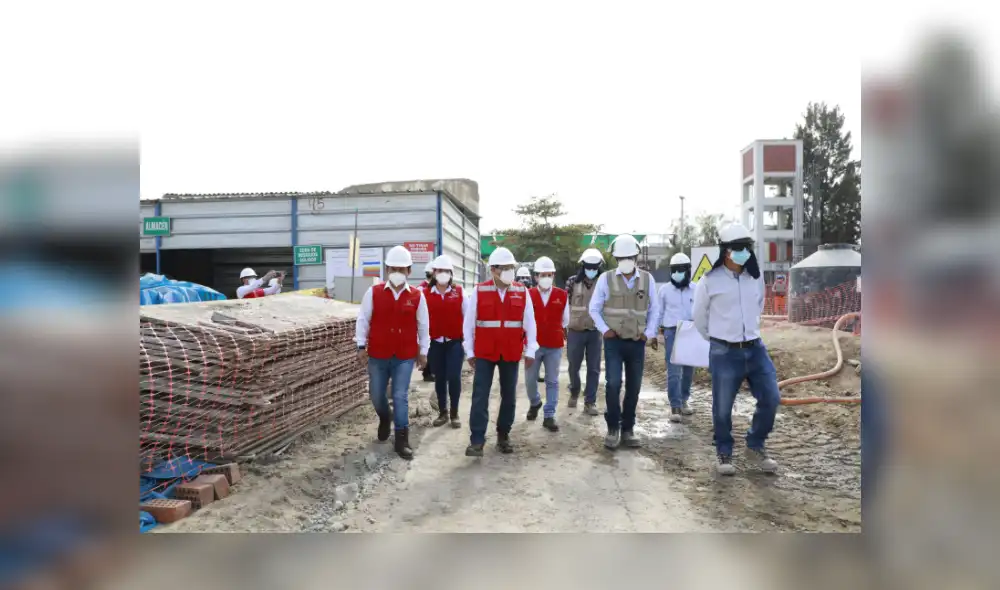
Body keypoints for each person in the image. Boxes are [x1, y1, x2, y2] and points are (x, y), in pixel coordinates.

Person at [692, 223, 780, 476]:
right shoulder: (709, 280)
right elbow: (699, 317)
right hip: (724, 351)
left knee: (771, 397)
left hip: (755, 348)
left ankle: (755, 444)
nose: (744, 252)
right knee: (722, 407)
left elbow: (759, 305)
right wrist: (718, 339)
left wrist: (748, 331)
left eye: (748, 248)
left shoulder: (755, 276)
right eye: (739, 248)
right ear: (727, 251)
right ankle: (724, 450)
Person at [355, 245, 430, 460]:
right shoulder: (374, 292)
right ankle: (385, 417)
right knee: (377, 395)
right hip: (378, 354)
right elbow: (363, 320)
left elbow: (423, 325)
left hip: (404, 356)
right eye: (393, 268)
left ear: (409, 271)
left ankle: (401, 439)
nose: (397, 272)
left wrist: (423, 351)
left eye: (402, 269)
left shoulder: (417, 296)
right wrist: (361, 346)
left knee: (400, 395)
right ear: (387, 270)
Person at [463, 247, 537, 456]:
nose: (508, 272)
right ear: (493, 270)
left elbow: (530, 323)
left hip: (511, 352)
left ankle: (503, 435)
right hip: (485, 352)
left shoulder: (522, 292)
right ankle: (477, 440)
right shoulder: (480, 291)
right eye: (504, 268)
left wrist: (531, 349)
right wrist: (469, 350)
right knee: (480, 395)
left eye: (510, 268)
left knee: (509, 396)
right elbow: (468, 324)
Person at [589, 234, 659, 450]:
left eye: (629, 257)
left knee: (634, 386)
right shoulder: (606, 279)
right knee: (613, 383)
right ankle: (613, 428)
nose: (626, 260)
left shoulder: (647, 279)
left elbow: (655, 309)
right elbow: (594, 308)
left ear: (636, 257)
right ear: (616, 258)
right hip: (614, 342)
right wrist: (605, 330)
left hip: (636, 342)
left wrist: (649, 333)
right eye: (622, 257)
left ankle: (628, 429)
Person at [524, 256, 569, 432]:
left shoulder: (562, 295)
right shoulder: (528, 295)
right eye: (542, 274)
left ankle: (549, 415)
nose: (546, 277)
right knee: (530, 380)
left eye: (549, 274)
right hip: (533, 345)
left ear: (553, 276)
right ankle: (535, 402)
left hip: (554, 345)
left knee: (552, 381)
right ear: (536, 276)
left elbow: (566, 320)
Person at [425, 254, 466, 429]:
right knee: (440, 378)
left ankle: (455, 413)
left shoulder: (460, 293)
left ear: (451, 273)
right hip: (435, 343)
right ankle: (443, 411)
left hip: (454, 342)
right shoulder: (424, 294)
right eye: (439, 270)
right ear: (434, 273)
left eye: (446, 271)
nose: (442, 274)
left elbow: (468, 316)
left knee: (454, 377)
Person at [657, 252, 698, 423]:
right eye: (674, 270)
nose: (677, 273)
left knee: (688, 369)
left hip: (691, 329)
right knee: (674, 370)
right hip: (672, 331)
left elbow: (703, 310)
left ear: (688, 271)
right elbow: (659, 312)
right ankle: (675, 405)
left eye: (681, 270)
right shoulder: (665, 290)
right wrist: (654, 334)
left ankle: (683, 400)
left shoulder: (696, 289)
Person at [564, 248, 604, 415]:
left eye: (595, 267)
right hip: (575, 330)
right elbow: (565, 305)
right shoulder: (572, 282)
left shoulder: (603, 281)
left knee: (594, 367)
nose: (592, 270)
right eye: (589, 266)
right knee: (574, 365)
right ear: (583, 266)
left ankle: (590, 401)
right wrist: (563, 326)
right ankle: (574, 390)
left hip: (595, 331)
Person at [419, 262, 436, 382]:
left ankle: (430, 371)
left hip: (433, 322)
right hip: (426, 323)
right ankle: (427, 372)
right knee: (428, 349)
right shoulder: (422, 288)